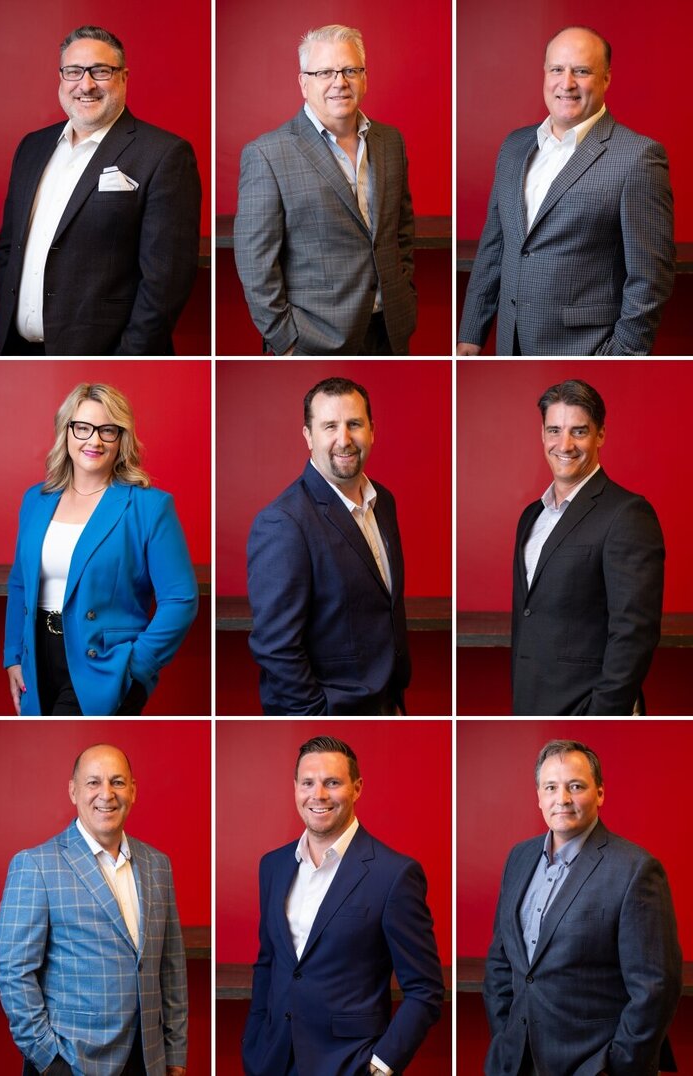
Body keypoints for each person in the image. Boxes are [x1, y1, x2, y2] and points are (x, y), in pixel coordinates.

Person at [458, 26, 674, 355]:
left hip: (586, 350)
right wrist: (471, 334)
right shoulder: (514, 146)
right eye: (557, 69)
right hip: (509, 346)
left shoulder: (638, 157)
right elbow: (494, 248)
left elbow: (651, 277)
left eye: (582, 71)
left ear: (606, 79)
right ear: (545, 74)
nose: (567, 83)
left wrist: (621, 355)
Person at [0, 26, 201, 356]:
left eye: (100, 71)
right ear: (61, 77)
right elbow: (9, 249)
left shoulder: (164, 154)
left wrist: (130, 357)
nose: (85, 85)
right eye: (73, 71)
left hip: (106, 353)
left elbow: (166, 282)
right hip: (14, 348)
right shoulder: (32, 146)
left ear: (124, 77)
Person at [243, 736, 443, 1075]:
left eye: (332, 783)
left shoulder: (394, 874)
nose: (318, 795)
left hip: (348, 1063)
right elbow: (269, 963)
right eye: (308, 783)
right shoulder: (272, 866)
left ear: (357, 788)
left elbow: (425, 990)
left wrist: (381, 1066)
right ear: (295, 788)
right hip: (272, 1058)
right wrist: (253, 1042)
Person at [484, 740, 681, 1074]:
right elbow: (501, 962)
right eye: (551, 787)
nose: (562, 799)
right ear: (538, 796)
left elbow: (656, 988)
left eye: (575, 786)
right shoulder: (518, 858)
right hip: (515, 1060)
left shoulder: (636, 869)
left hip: (593, 1065)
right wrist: (505, 1035)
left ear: (600, 793)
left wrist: (615, 1066)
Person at [4, 383, 198, 716]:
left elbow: (181, 599)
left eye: (107, 430)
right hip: (37, 655)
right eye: (83, 428)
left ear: (122, 438)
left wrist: (136, 667)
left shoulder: (149, 506)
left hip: (104, 663)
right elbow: (20, 582)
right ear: (66, 431)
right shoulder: (35, 499)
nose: (94, 440)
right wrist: (13, 656)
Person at [0, 743, 187, 1076]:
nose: (106, 794)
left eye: (117, 782)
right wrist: (49, 1059)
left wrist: (175, 1054)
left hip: (147, 1061)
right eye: (93, 782)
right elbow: (12, 972)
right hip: (71, 1062)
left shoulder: (158, 865)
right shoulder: (36, 865)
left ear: (133, 790)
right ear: (73, 790)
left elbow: (171, 967)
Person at [235, 25, 416, 356]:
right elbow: (255, 262)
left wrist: (406, 293)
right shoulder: (267, 154)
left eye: (350, 70)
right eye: (325, 72)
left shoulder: (390, 141)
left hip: (390, 330)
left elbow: (400, 231)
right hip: (313, 339)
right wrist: (285, 340)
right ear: (304, 82)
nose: (340, 82)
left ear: (365, 77)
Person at [247, 377, 409, 715]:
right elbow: (275, 647)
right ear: (308, 436)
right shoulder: (283, 522)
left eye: (354, 424)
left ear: (372, 430)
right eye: (329, 426)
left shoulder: (384, 501)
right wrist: (316, 713)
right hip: (329, 710)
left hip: (385, 701)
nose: (344, 439)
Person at [511, 379, 663, 715]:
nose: (564, 444)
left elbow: (635, 631)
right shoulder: (531, 517)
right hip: (530, 702)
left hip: (588, 707)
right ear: (542, 435)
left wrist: (602, 713)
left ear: (600, 435)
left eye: (578, 431)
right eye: (554, 430)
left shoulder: (627, 514)